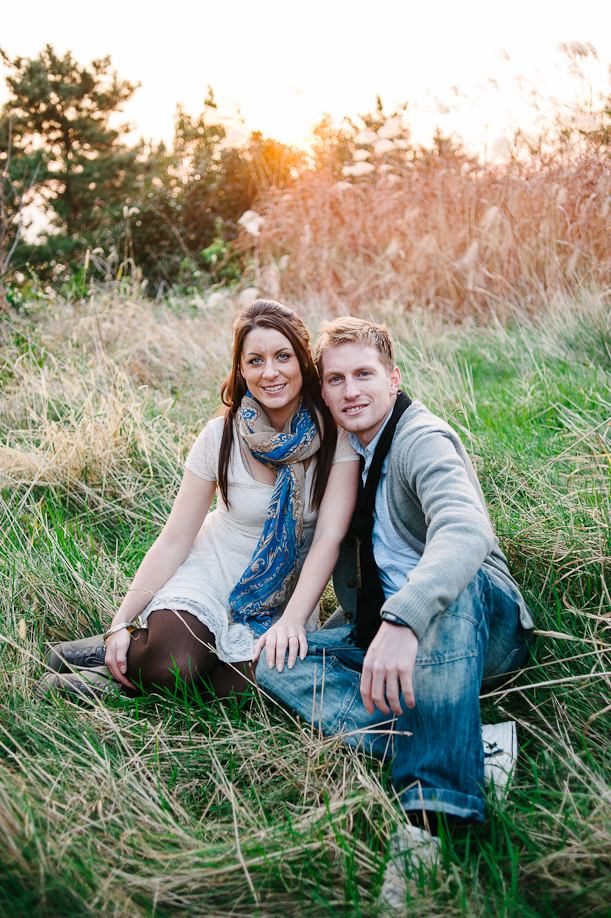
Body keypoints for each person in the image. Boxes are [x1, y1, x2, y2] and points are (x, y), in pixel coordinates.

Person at [255, 317, 533, 910]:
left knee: (449, 589)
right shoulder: (350, 447)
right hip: (384, 634)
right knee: (276, 661)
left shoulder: (420, 438)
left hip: (475, 623)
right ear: (323, 390)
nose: (351, 390)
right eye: (336, 379)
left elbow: (465, 532)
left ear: (393, 377)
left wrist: (404, 620)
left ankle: (430, 821)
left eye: (364, 374)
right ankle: (467, 743)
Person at [38, 300, 359, 701]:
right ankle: (118, 647)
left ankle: (106, 678)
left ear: (303, 362)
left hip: (281, 598)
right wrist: (120, 622)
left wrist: (293, 621)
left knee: (268, 685)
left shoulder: (337, 438)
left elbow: (328, 538)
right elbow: (175, 539)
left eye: (283, 356)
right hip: (210, 574)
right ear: (241, 370)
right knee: (178, 665)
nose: (270, 372)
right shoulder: (220, 436)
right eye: (255, 360)